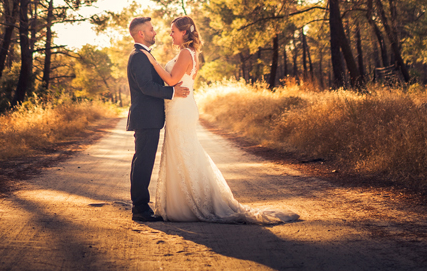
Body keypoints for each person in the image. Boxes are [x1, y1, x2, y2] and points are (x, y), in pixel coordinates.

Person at [142, 15, 299, 224]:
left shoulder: (185, 54)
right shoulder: (191, 53)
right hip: (181, 108)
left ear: (184, 32)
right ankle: (183, 202)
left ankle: (190, 204)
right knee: (183, 153)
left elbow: (171, 80)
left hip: (180, 110)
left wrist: (152, 62)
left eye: (173, 31)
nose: (170, 34)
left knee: (183, 152)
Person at [126, 15, 189, 223]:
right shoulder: (138, 56)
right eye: (151, 29)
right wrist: (172, 93)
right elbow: (146, 87)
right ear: (141, 33)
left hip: (149, 118)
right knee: (143, 162)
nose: (155, 32)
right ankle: (140, 209)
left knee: (143, 161)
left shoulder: (144, 55)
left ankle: (141, 206)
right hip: (145, 118)